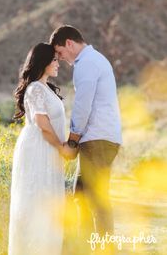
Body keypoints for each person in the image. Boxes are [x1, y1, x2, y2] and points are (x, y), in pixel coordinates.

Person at [49, 25, 122, 244]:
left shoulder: (86, 64)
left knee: (94, 198)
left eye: (60, 53)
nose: (60, 59)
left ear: (69, 43)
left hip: (98, 140)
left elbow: (83, 106)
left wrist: (72, 140)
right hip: (101, 138)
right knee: (82, 195)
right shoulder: (94, 59)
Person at [8, 42, 68, 255]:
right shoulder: (34, 89)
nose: (57, 63)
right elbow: (42, 125)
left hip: (48, 150)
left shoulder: (45, 88)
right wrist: (62, 148)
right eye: (53, 59)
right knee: (36, 202)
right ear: (42, 62)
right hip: (38, 151)